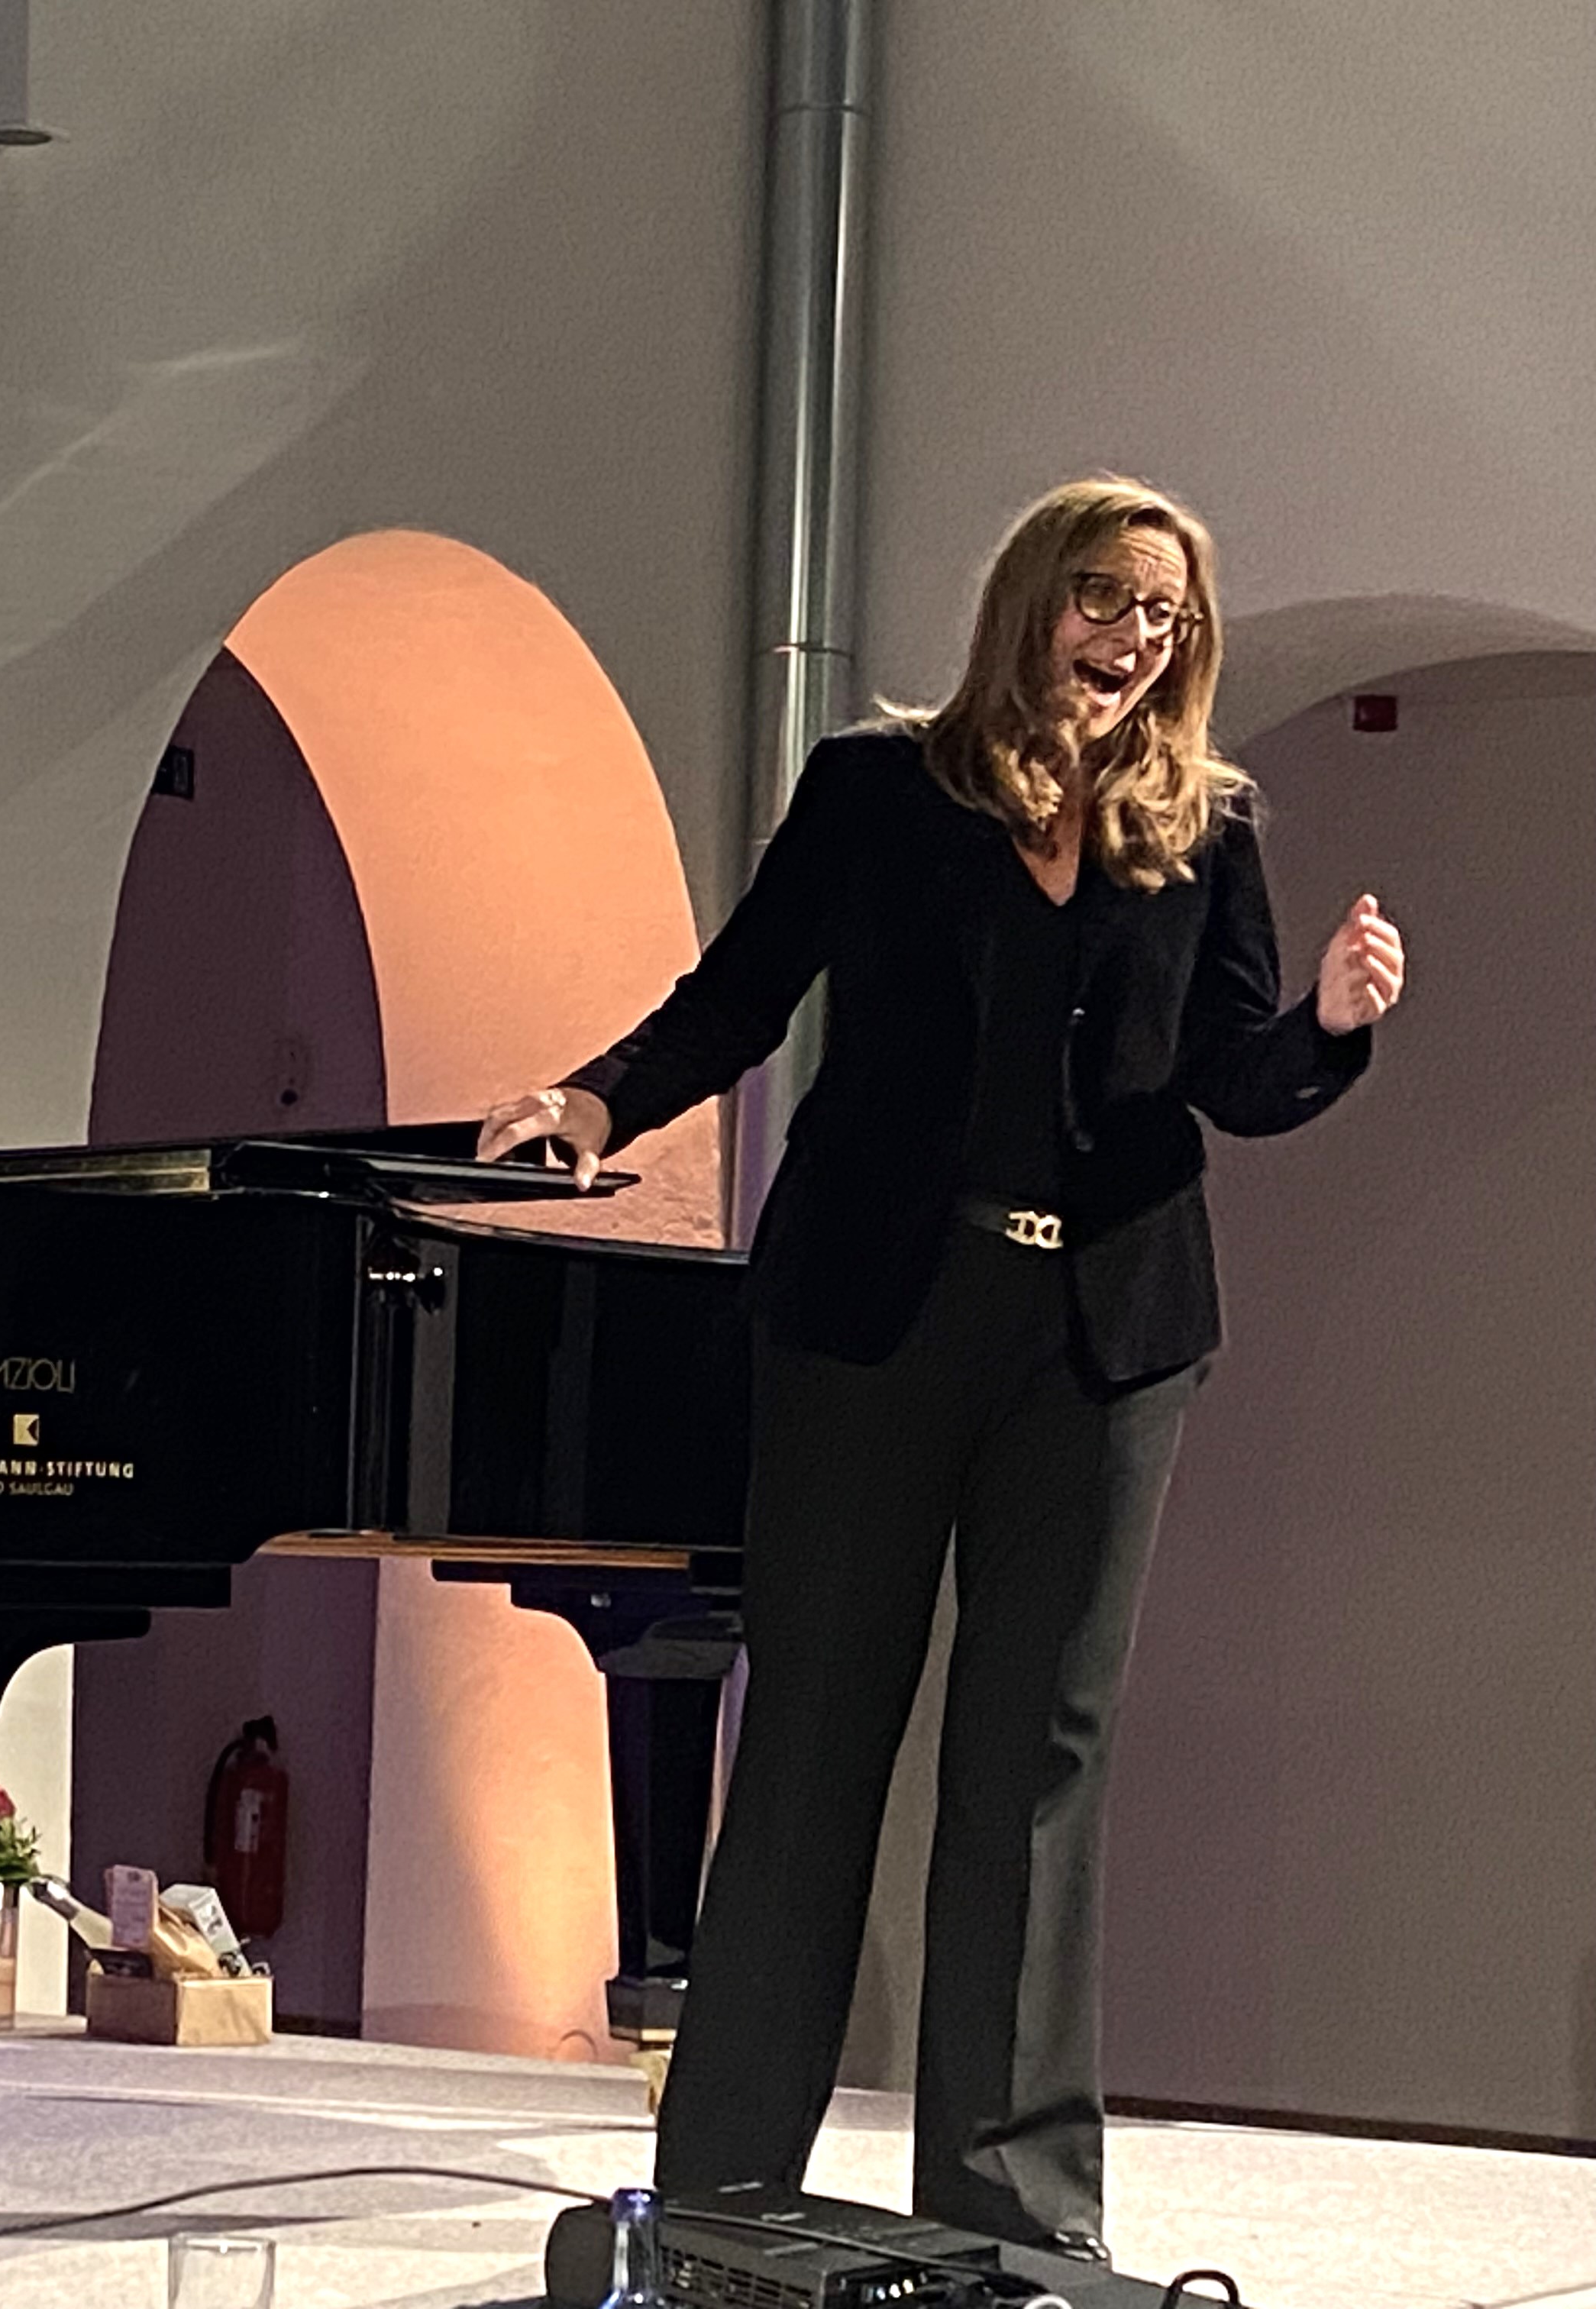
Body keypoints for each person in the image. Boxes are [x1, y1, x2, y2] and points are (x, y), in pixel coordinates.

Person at [479, 478, 1405, 2257]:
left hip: (1108, 1341)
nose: (1135, 641)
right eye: (1107, 599)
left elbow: (1233, 1076)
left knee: (1038, 1762)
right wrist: (598, 1100)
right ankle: (724, 2181)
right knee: (816, 1734)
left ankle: (1018, 2208)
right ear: (1032, 601)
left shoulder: (1204, 829)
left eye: (1166, 617)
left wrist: (1333, 1029)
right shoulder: (879, 791)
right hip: (875, 1315)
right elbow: (741, 993)